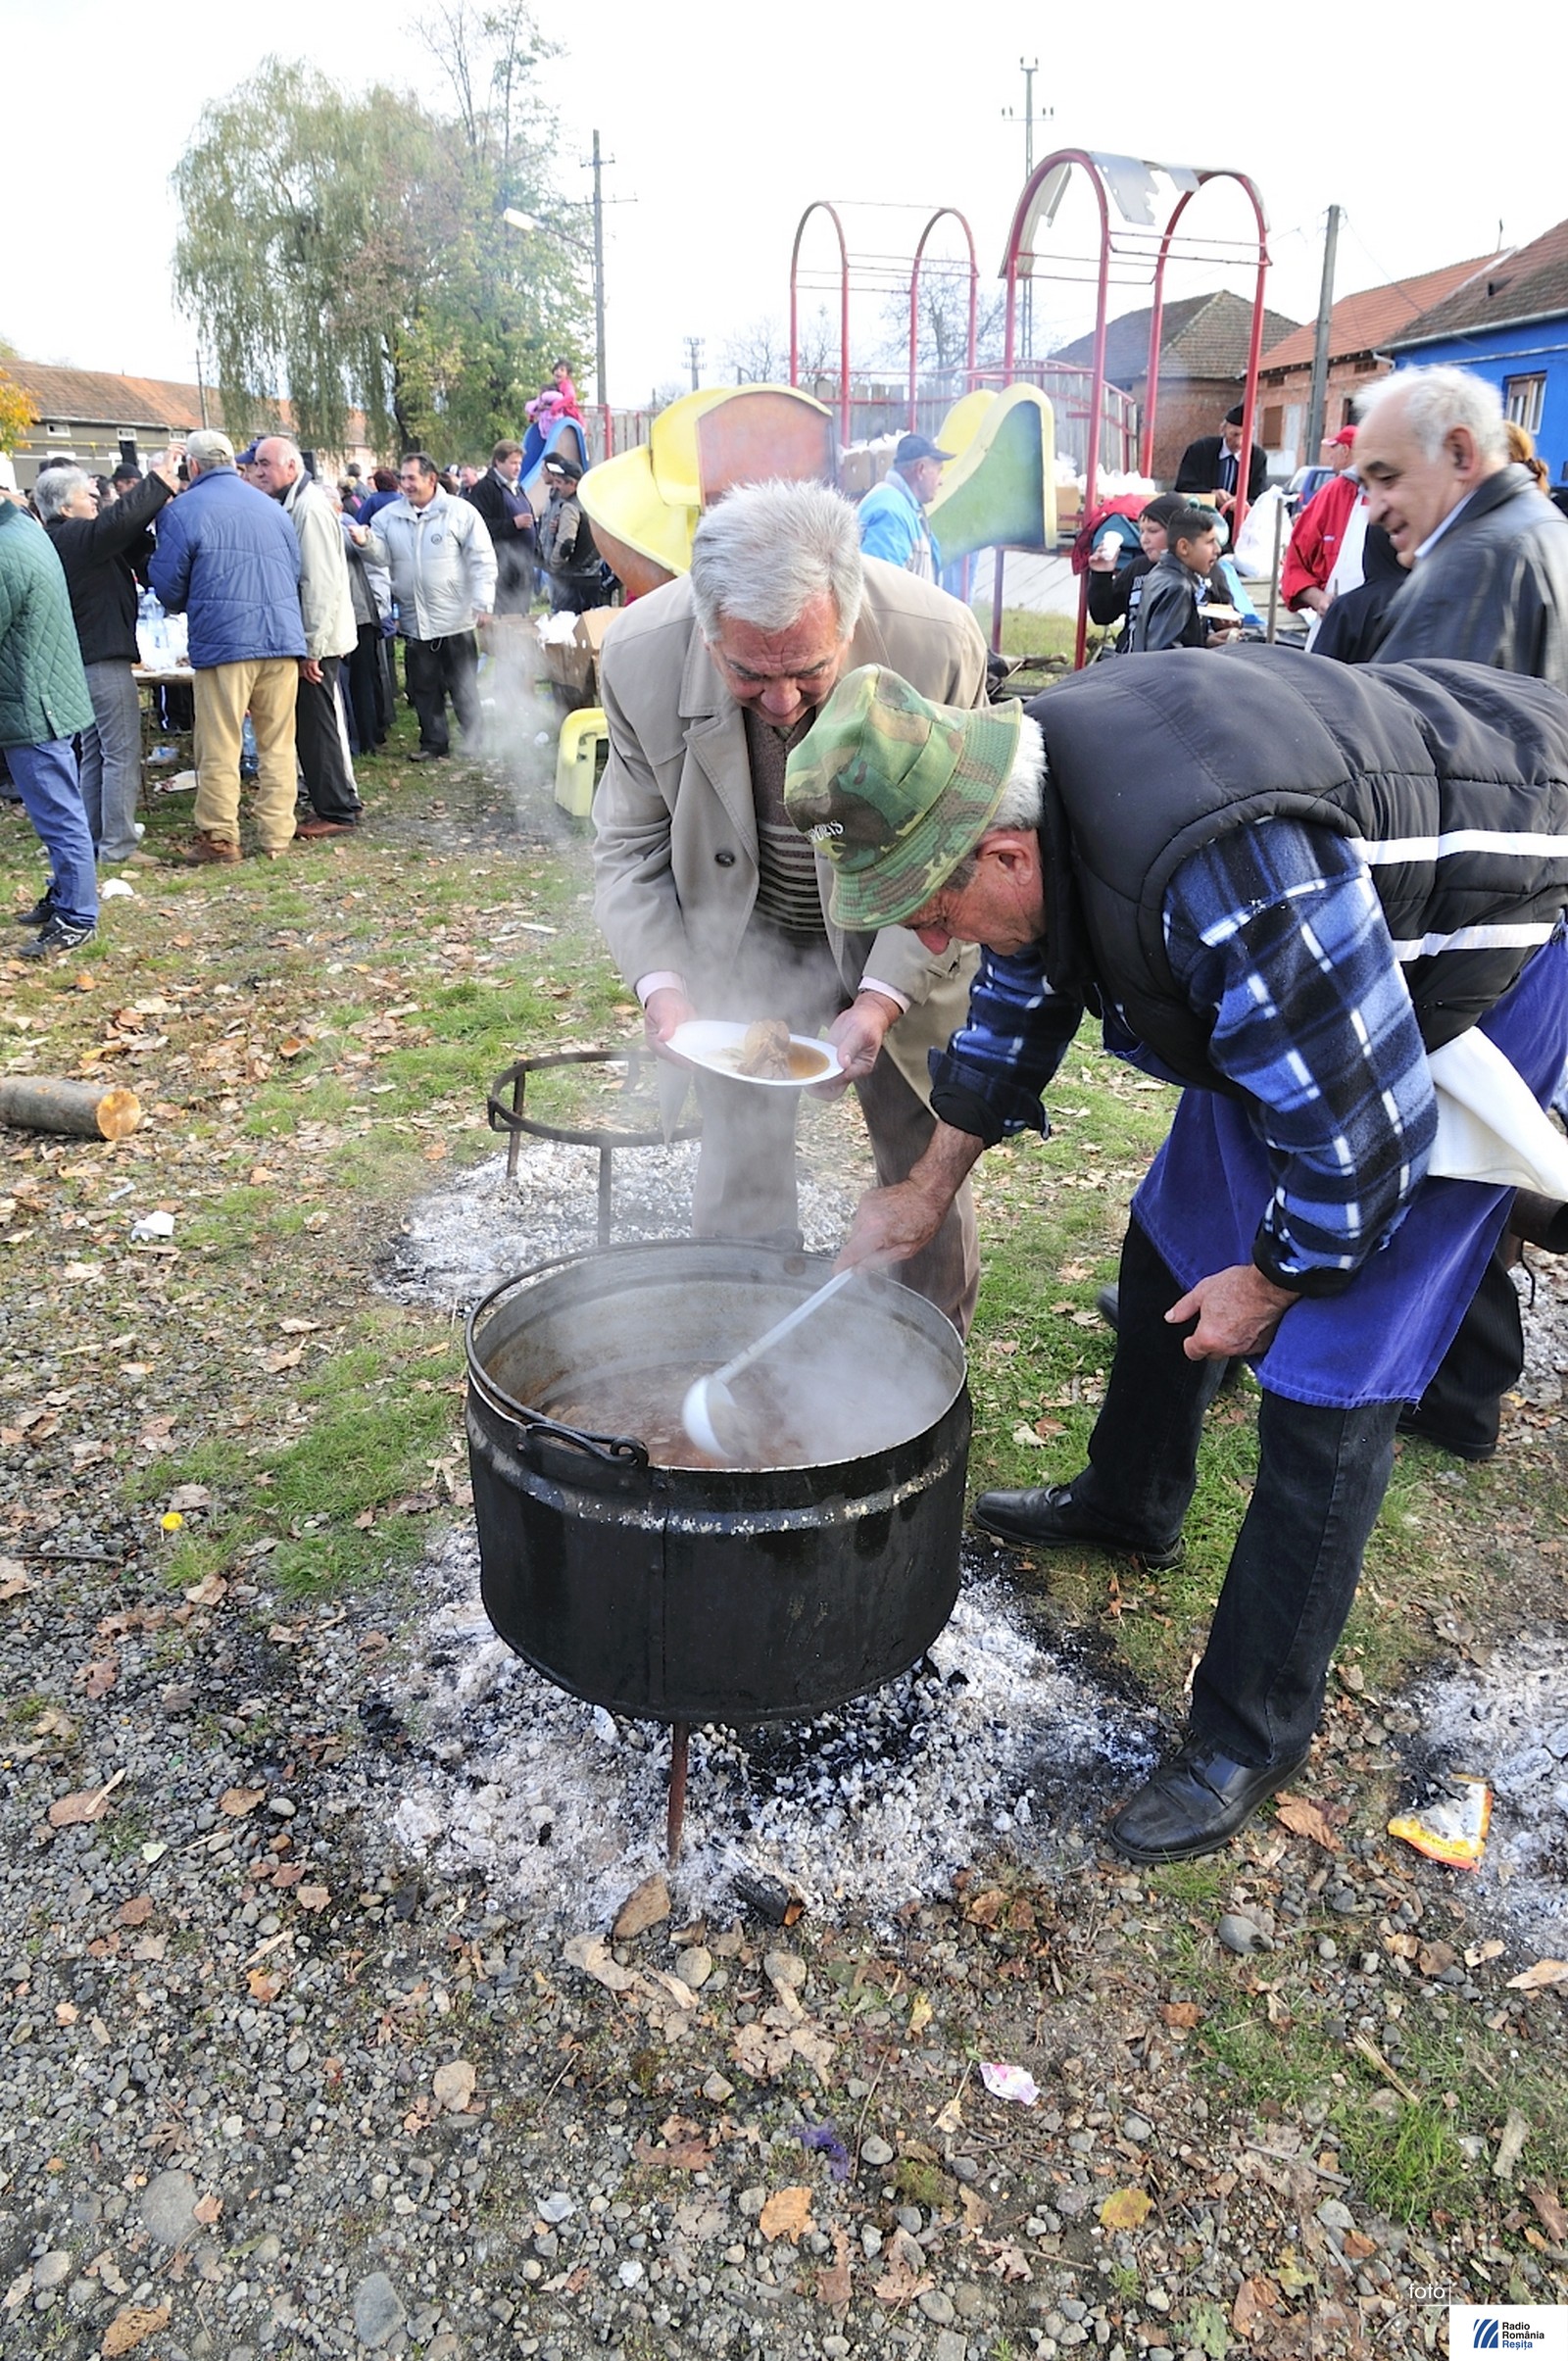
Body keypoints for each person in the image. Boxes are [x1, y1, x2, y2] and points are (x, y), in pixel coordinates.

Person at [787, 651, 1568, 1861]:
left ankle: (1249, 1734)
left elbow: (1363, 1146)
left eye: (932, 914)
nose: (931, 940)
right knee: (1176, 1229)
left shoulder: (1227, 876)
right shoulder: (1027, 792)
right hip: (1302, 968)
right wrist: (924, 1187)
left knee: (1330, 1371)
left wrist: (1268, 1284)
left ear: (1005, 855)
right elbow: (1021, 986)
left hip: (1476, 954)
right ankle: (1131, 1499)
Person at [592, 477, 989, 1332]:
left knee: (919, 1157)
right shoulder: (638, 655)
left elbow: (956, 855)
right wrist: (666, 989)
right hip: (740, 941)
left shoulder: (935, 644)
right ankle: (743, 1334)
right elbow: (628, 850)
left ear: (848, 617)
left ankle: (926, 1360)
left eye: (809, 670)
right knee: (738, 1161)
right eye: (747, 672)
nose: (780, 703)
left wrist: (878, 1001)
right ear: (706, 627)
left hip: (899, 932)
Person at [146, 427, 306, 862]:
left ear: (193, 466)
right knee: (278, 742)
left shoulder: (182, 511)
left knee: (219, 742)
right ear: (233, 464)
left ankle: (219, 836)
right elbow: (293, 570)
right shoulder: (273, 508)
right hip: (281, 637)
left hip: (225, 641)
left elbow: (169, 588)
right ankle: (277, 834)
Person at [36, 449, 181, 864]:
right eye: (88, 496)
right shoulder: (75, 536)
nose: (96, 501)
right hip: (101, 659)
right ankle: (118, 845)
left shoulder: (61, 540)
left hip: (81, 660)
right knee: (120, 751)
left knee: (98, 752)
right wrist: (158, 481)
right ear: (66, 507)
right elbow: (116, 523)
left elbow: (121, 534)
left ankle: (92, 838)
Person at [0, 491, 100, 956]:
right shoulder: (22, 527)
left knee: (59, 814)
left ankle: (77, 916)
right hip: (43, 690)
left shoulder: (6, 549)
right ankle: (66, 894)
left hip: (32, 701)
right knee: (59, 809)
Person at [251, 437, 364, 838]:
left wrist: (310, 647)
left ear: (292, 467)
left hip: (318, 640)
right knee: (315, 724)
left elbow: (318, 583)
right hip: (312, 636)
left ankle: (337, 809)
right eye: (256, 464)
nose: (259, 471)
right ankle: (335, 801)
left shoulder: (309, 508)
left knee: (318, 727)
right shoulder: (295, 503)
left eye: (266, 463)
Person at [363, 452, 496, 761]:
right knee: (423, 686)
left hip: (456, 617)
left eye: (412, 478)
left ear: (431, 479)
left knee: (463, 685)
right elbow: (380, 557)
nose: (405, 484)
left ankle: (475, 740)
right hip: (416, 619)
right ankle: (434, 742)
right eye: (402, 478)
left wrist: (483, 601)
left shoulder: (460, 512)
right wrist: (366, 542)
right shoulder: (388, 518)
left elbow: (482, 558)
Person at [1127, 508, 1235, 652]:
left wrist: (1205, 641)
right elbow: (1165, 653)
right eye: (1210, 542)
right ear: (1184, 547)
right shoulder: (1178, 588)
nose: (1217, 549)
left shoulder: (1159, 572)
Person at [1280, 426, 1359, 617]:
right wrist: (1318, 599)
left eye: (1333, 449)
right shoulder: (1329, 496)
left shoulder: (1395, 499)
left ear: (1345, 451)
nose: (1330, 455)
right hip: (1333, 620)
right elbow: (1295, 564)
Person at [856, 433, 952, 580]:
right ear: (920, 470)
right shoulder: (890, 514)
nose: (941, 481)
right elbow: (882, 585)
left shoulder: (903, 506)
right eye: (939, 471)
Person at [465, 440, 537, 614]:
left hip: (523, 566)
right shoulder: (485, 489)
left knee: (522, 616)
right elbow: (479, 527)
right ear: (498, 461)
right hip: (502, 568)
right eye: (513, 463)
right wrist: (512, 524)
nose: (518, 468)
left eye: (519, 463)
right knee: (505, 617)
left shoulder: (517, 488)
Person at [535, 454, 611, 613]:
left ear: (573, 484)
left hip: (572, 579)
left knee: (566, 623)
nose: (556, 486)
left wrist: (553, 566)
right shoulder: (591, 502)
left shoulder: (570, 507)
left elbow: (566, 544)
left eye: (560, 482)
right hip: (593, 574)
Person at [1174, 402, 1268, 518]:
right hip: (1201, 518)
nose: (1239, 443)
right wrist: (1210, 494)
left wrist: (1240, 504)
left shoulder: (1257, 457)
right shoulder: (1201, 449)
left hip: (1239, 521)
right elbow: (1183, 486)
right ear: (1223, 429)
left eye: (1246, 436)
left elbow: (1260, 497)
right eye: (1234, 435)